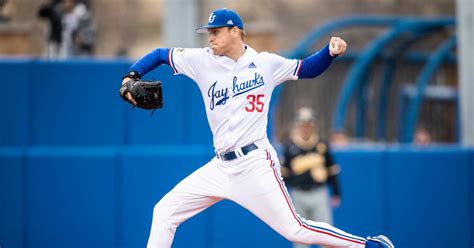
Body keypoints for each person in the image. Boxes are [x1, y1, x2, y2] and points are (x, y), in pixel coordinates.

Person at [121, 8, 394, 248]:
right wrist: (131, 75)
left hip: (254, 164)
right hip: (219, 167)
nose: (210, 37)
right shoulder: (201, 59)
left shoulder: (266, 64)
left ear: (236, 32)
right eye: (209, 32)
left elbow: (307, 69)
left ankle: (368, 245)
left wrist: (329, 52)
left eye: (216, 31)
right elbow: (160, 54)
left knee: (295, 229)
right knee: (165, 211)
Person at [281, 107, 342, 248]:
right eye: (303, 124)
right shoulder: (290, 146)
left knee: (326, 234)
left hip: (319, 193)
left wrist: (337, 193)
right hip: (298, 194)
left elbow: (332, 169)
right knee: (300, 237)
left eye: (308, 124)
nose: (306, 128)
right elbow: (284, 175)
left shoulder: (321, 144)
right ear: (298, 126)